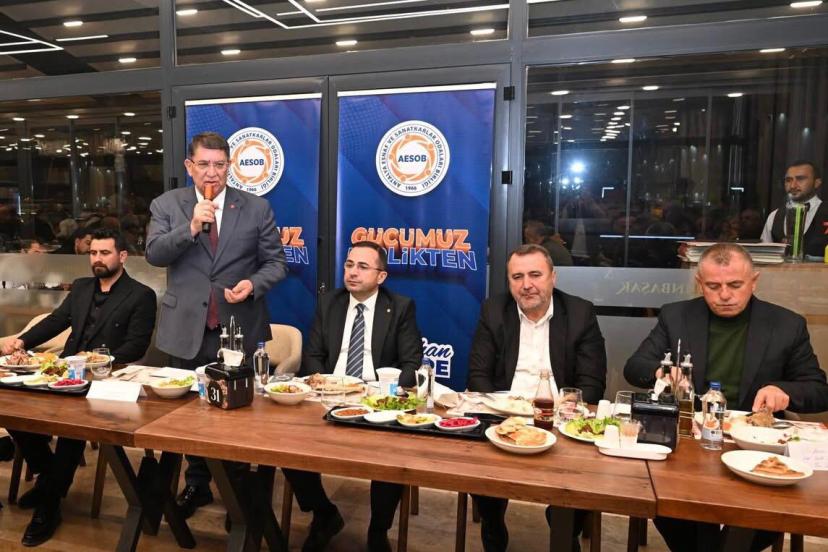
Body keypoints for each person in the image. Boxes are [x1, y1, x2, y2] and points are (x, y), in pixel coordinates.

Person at [624, 242, 828, 552]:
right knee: (674, 507)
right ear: (699, 283)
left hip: (755, 448)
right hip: (689, 444)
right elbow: (634, 367)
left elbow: (819, 389)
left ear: (754, 281)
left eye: (735, 285)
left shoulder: (786, 324)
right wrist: (661, 372)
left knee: (756, 519)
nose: (725, 295)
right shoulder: (677, 316)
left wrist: (783, 392)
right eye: (713, 286)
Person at [145, 131, 287, 518]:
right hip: (185, 329)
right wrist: (191, 227)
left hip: (237, 328)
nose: (212, 172)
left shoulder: (256, 208)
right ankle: (197, 483)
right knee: (189, 415)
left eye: (220, 165)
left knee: (236, 415)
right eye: (204, 164)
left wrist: (253, 285)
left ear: (230, 166)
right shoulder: (167, 204)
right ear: (189, 166)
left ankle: (237, 491)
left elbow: (276, 263)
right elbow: (155, 254)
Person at [0, 228, 156, 547]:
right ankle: (49, 478)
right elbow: (56, 321)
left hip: (104, 381)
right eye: (93, 253)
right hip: (64, 373)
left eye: (104, 253)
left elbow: (137, 345)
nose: (97, 259)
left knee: (72, 432)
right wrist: (22, 341)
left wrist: (97, 361)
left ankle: (49, 505)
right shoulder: (82, 287)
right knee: (15, 414)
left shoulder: (141, 295)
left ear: (122, 256)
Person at [284, 241, 422, 552]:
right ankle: (324, 513)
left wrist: (376, 393)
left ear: (381, 276)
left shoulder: (400, 307)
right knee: (287, 445)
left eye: (362, 267)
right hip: (330, 396)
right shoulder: (329, 303)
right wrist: (326, 386)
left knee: (391, 453)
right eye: (349, 265)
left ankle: (378, 530)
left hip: (375, 400)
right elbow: (313, 356)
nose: (352, 272)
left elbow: (411, 365)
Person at [467, 244, 607, 552]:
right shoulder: (494, 310)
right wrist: (501, 414)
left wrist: (567, 409)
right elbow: (478, 376)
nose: (526, 284)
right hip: (505, 417)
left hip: (560, 421)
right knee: (476, 466)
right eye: (517, 277)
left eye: (535, 275)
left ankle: (564, 527)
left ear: (553, 277)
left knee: (583, 478)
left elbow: (592, 384)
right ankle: (493, 523)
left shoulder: (579, 313)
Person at [760, 160, 826, 256]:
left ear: (817, 183)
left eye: (800, 179)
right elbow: (763, 255)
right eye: (788, 180)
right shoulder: (774, 216)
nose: (793, 185)